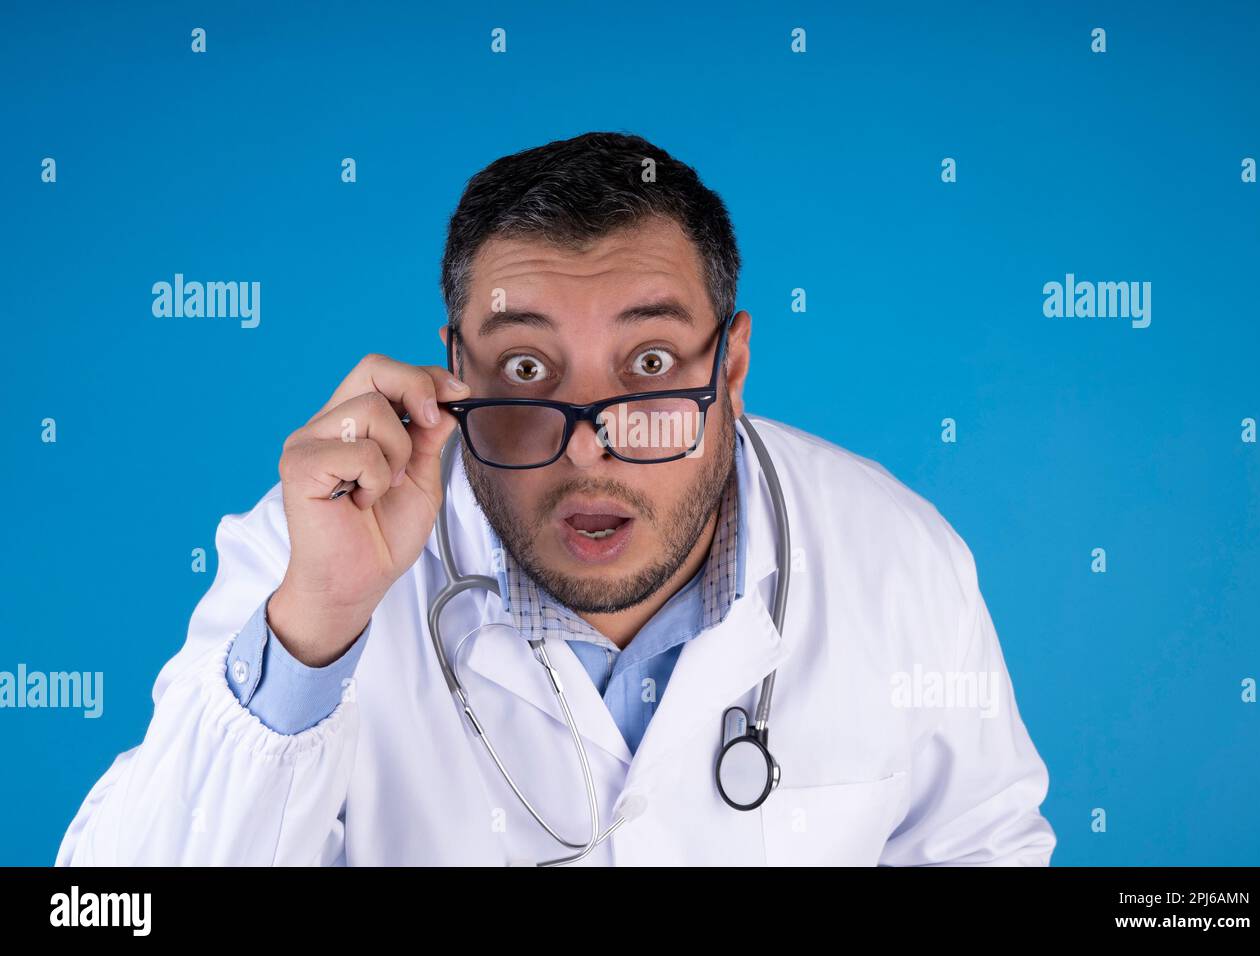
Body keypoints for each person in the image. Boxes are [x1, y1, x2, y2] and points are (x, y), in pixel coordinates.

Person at [56, 131, 1056, 866]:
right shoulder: (312, 553)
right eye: (528, 367)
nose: (591, 443)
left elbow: (979, 847)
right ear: (452, 370)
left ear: (735, 365)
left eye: (651, 362)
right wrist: (317, 626)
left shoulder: (894, 558)